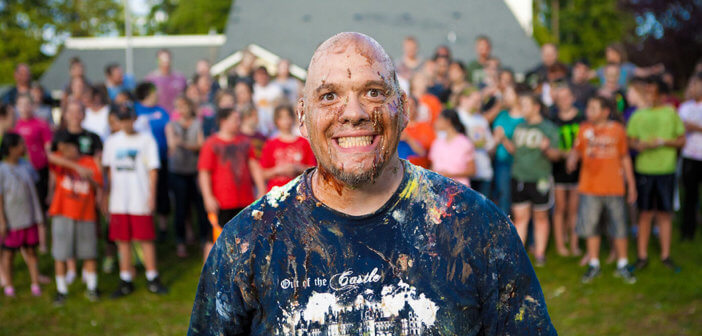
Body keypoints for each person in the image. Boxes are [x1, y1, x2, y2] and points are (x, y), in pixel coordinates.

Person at [189, 32, 556, 335]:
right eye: (329, 96)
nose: (354, 113)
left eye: (374, 92)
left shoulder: (475, 226)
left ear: (405, 109)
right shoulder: (248, 241)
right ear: (302, 117)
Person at [567, 96, 637, 284]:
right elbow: (576, 149)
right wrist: (572, 158)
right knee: (591, 228)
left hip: (614, 187)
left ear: (606, 111)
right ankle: (594, 264)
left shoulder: (617, 130)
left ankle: (623, 264)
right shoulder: (584, 129)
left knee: (619, 226)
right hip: (589, 187)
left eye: (593, 107)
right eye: (588, 106)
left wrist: (631, 184)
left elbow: (625, 157)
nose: (589, 110)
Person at [102, 104, 169, 298]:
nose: (126, 123)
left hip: (139, 196)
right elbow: (108, 171)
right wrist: (106, 196)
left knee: (145, 238)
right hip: (119, 199)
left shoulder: (146, 140)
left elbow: (153, 170)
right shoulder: (112, 142)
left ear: (134, 119)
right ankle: (125, 278)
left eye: (128, 119)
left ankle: (152, 276)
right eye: (121, 119)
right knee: (122, 240)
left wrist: (151, 195)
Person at [627, 76, 685, 272]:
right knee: (645, 213)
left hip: (666, 171)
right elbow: (630, 141)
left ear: (662, 94)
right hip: (644, 170)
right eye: (647, 92)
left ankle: (666, 255)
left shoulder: (671, 113)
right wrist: (638, 145)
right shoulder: (638, 115)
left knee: (664, 214)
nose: (649, 96)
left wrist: (663, 142)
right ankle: (642, 256)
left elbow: (681, 140)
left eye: (653, 92)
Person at [500, 93, 560, 266]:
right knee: (520, 217)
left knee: (541, 216)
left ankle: (540, 253)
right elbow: (515, 151)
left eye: (525, 105)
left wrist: (547, 149)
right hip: (519, 177)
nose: (522, 108)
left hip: (540, 179)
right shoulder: (520, 127)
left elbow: (556, 156)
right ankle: (518, 254)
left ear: (536, 107)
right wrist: (503, 138)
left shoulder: (548, 128)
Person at [197, 107, 266, 257]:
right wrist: (208, 197)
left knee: (245, 238)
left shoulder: (245, 142)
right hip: (222, 201)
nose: (238, 122)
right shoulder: (211, 143)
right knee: (214, 238)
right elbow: (204, 173)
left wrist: (261, 189)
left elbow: (254, 166)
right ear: (224, 121)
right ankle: (209, 277)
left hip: (244, 200)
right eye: (235, 119)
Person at [48, 132, 103, 305]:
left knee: (89, 253)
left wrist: (89, 177)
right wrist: (76, 167)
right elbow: (50, 157)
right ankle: (61, 289)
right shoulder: (61, 160)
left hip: (86, 214)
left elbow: (99, 185)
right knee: (61, 254)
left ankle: (92, 287)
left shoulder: (89, 161)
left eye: (66, 148)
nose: (63, 152)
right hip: (62, 213)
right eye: (61, 149)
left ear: (74, 146)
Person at [0, 133, 44, 297]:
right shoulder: (2, 170)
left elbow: (35, 187)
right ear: (11, 149)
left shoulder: (26, 165)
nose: (24, 147)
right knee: (9, 254)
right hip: (12, 220)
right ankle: (9, 285)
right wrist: (2, 220)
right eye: (21, 145)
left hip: (28, 218)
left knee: (31, 251)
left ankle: (35, 283)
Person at [165, 96, 206, 258]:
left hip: (194, 170)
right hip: (178, 171)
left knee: (200, 207)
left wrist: (182, 143)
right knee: (180, 209)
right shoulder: (171, 125)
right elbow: (171, 145)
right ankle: (180, 241)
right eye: (179, 107)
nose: (182, 110)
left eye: (185, 106)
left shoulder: (197, 124)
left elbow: (200, 145)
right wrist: (189, 145)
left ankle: (204, 240)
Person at [12, 93, 52, 252]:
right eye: (21, 105)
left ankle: (43, 243)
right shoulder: (15, 127)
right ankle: (25, 240)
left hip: (39, 170)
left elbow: (48, 147)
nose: (24, 108)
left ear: (32, 106)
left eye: (27, 104)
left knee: (40, 206)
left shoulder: (41, 124)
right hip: (21, 173)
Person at [548, 86, 585, 256]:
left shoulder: (581, 118)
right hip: (559, 169)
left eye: (566, 96)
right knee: (560, 207)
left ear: (572, 96)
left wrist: (575, 154)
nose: (564, 101)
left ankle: (574, 242)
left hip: (579, 169)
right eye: (560, 98)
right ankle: (561, 243)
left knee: (574, 208)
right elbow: (551, 147)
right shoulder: (553, 120)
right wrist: (566, 154)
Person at [134, 82, 171, 240]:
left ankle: (163, 228)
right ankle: (147, 224)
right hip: (141, 162)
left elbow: (168, 129)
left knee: (162, 191)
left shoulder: (161, 110)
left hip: (161, 158)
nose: (157, 94)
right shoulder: (135, 110)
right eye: (154, 92)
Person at [260, 105, 316, 191]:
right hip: (277, 191)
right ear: (276, 121)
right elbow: (263, 173)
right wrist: (278, 170)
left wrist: (297, 168)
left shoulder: (303, 143)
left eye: (288, 117)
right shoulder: (271, 144)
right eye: (282, 118)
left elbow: (313, 170)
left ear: (292, 118)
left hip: (299, 190)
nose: (286, 121)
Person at [492, 86, 525, 215]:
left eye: (509, 94)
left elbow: (518, 150)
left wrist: (504, 139)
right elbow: (495, 139)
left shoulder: (525, 119)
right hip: (502, 163)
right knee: (504, 196)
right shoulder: (502, 115)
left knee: (519, 198)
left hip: (520, 164)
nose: (506, 97)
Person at [455, 88, 493, 196]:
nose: (478, 105)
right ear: (463, 99)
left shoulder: (481, 119)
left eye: (480, 101)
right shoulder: (455, 117)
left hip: (482, 169)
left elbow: (489, 144)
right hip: (462, 173)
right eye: (475, 101)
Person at [679, 72, 702, 240]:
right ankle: (688, 231)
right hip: (689, 157)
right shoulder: (685, 107)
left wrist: (696, 127)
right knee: (690, 195)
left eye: (695, 84)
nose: (691, 88)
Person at [430, 109, 476, 186]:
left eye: (439, 119)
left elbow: (472, 170)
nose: (436, 122)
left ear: (447, 121)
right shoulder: (437, 142)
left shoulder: (464, 142)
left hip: (459, 188)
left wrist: (450, 174)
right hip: (439, 187)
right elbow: (433, 166)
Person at [145, 49, 187, 114]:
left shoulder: (180, 77)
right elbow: (147, 100)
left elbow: (185, 97)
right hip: (159, 117)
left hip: (177, 117)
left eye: (168, 58)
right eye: (162, 59)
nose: (165, 61)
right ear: (158, 60)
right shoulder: (151, 79)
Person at [252, 66, 285, 136]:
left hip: (274, 124)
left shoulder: (275, 89)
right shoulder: (253, 90)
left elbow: (279, 104)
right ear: (255, 77)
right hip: (258, 125)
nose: (262, 77)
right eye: (259, 75)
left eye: (263, 74)